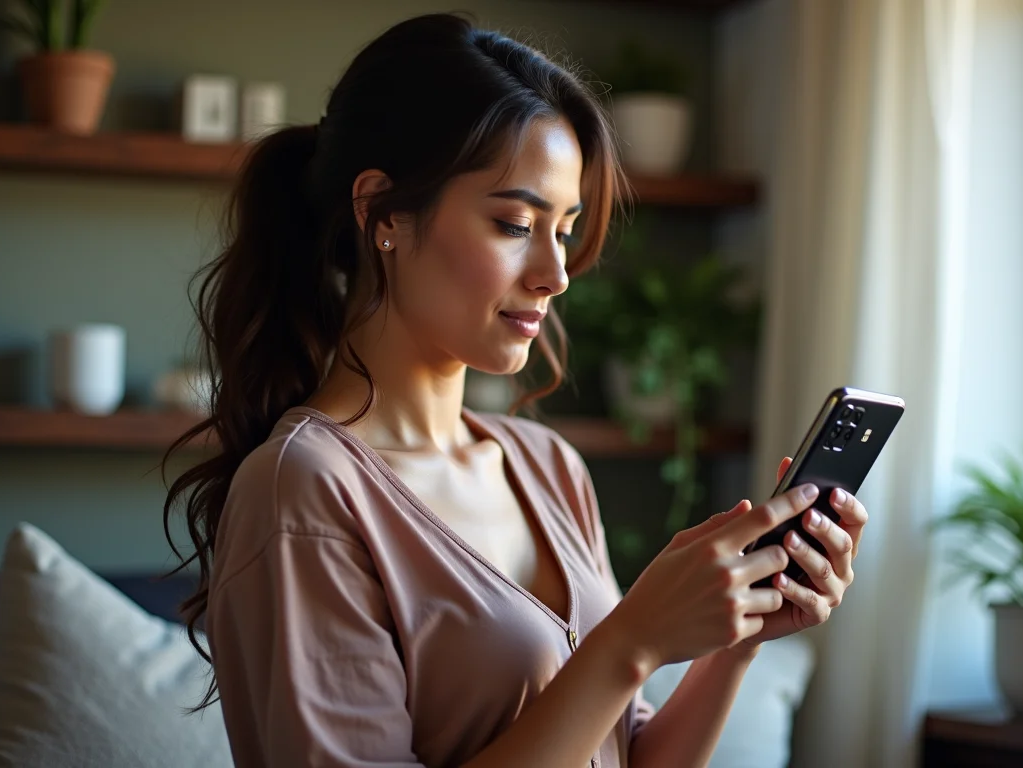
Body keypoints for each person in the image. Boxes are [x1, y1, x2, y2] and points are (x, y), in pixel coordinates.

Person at [163, 13, 868, 768]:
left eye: (562, 229)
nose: (555, 274)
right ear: (383, 214)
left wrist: (733, 643)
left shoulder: (549, 465)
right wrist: (632, 642)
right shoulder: (303, 488)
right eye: (512, 223)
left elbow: (624, 754)